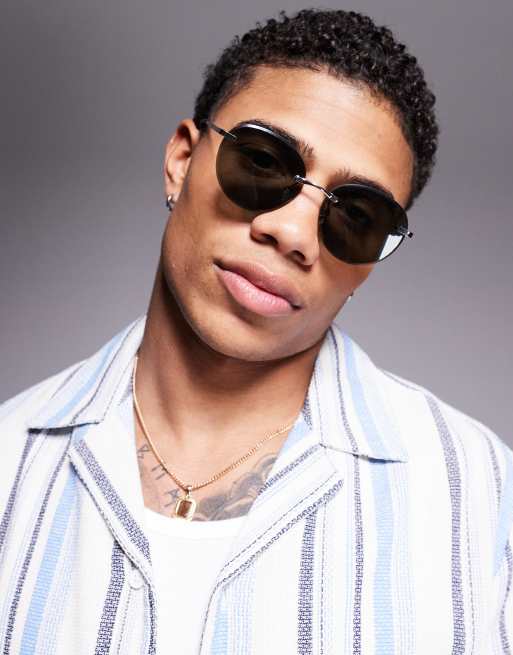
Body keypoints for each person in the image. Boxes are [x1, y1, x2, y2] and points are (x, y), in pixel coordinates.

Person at [0, 7, 511, 654]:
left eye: (356, 216)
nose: (292, 233)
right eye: (264, 162)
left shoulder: (483, 500)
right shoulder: (10, 461)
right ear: (181, 160)